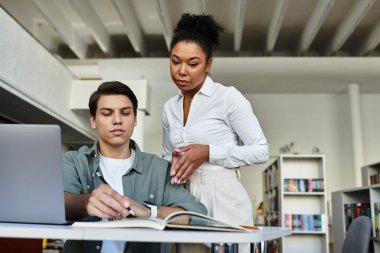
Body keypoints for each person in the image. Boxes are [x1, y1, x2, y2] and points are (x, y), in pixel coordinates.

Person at [162, 13, 269, 252]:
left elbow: (261, 151)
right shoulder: (169, 108)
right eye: (175, 61)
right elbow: (166, 158)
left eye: (193, 64)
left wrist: (208, 152)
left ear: (208, 64)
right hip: (184, 199)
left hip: (224, 196)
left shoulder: (227, 98)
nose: (182, 71)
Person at [62, 81, 207, 253]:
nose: (117, 120)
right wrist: (86, 203)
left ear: (135, 119)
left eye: (125, 113)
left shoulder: (160, 169)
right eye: (107, 113)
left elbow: (197, 216)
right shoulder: (75, 161)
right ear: (93, 120)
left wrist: (149, 212)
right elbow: (57, 203)